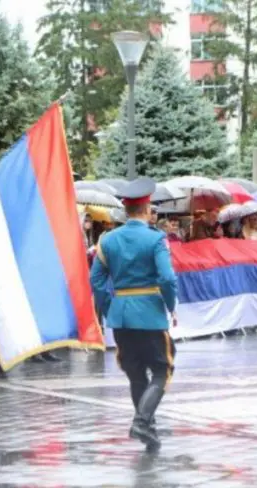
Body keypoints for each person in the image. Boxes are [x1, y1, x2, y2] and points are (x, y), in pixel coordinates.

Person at [90, 177, 178, 452]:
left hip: (121, 317)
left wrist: (108, 309)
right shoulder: (155, 239)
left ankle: (148, 427)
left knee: (136, 374)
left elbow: (96, 281)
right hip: (149, 315)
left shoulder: (108, 240)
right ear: (147, 207)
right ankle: (141, 421)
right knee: (163, 370)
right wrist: (171, 305)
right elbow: (167, 278)